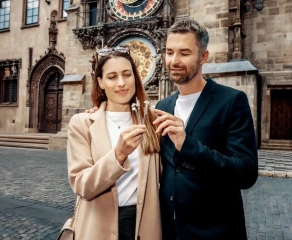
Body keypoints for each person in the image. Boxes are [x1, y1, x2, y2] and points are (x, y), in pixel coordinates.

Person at [153, 19, 258, 239]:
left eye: (184, 53)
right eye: (169, 52)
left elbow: (246, 173)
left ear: (203, 57)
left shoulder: (231, 101)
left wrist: (187, 144)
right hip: (170, 231)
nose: (174, 60)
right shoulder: (163, 107)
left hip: (215, 231)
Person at [67, 48, 162, 240]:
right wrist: (118, 154)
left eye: (127, 75)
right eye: (112, 77)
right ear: (100, 82)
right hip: (98, 226)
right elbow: (82, 185)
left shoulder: (151, 121)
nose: (121, 83)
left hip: (144, 223)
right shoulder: (82, 123)